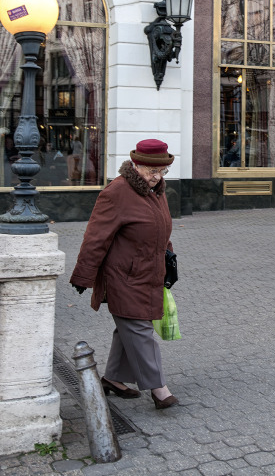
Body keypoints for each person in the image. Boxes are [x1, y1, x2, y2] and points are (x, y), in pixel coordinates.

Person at [70, 138, 179, 410]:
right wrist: (83, 275)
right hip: (122, 276)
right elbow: (95, 238)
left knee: (128, 327)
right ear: (135, 165)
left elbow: (162, 230)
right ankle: (159, 388)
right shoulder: (116, 192)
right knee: (139, 328)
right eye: (151, 171)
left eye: (162, 171)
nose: (157, 177)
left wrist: (170, 259)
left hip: (149, 272)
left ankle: (113, 379)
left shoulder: (157, 190)